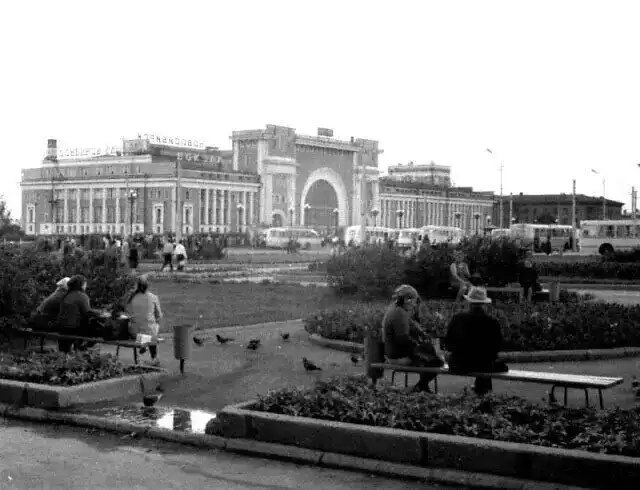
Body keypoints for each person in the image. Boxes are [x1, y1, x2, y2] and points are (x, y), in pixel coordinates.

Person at [441, 286, 507, 396]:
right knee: (492, 363)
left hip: (459, 364)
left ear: (469, 302)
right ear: (484, 303)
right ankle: (483, 392)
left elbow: (447, 343)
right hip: (483, 365)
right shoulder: (492, 322)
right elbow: (497, 347)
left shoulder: (457, 318)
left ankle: (480, 389)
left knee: (484, 361)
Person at [382, 284, 444, 393]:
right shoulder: (400, 313)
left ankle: (422, 387)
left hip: (393, 352)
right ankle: (420, 386)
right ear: (408, 300)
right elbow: (403, 339)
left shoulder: (395, 310)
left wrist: (422, 335)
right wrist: (418, 346)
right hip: (398, 355)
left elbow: (413, 327)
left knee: (429, 354)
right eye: (414, 301)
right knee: (437, 361)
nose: (415, 304)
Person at [126, 275, 162, 365]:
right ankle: (154, 356)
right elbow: (159, 316)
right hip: (149, 331)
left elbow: (128, 313)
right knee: (153, 327)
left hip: (135, 332)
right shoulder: (153, 297)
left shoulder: (132, 298)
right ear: (147, 285)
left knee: (143, 327)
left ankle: (144, 343)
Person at [57, 275, 99, 353]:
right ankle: (82, 348)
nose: (86, 286)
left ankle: (77, 348)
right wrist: (99, 313)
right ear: (81, 285)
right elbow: (88, 312)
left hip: (61, 328)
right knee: (97, 329)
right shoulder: (82, 295)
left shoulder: (66, 295)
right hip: (73, 329)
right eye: (85, 284)